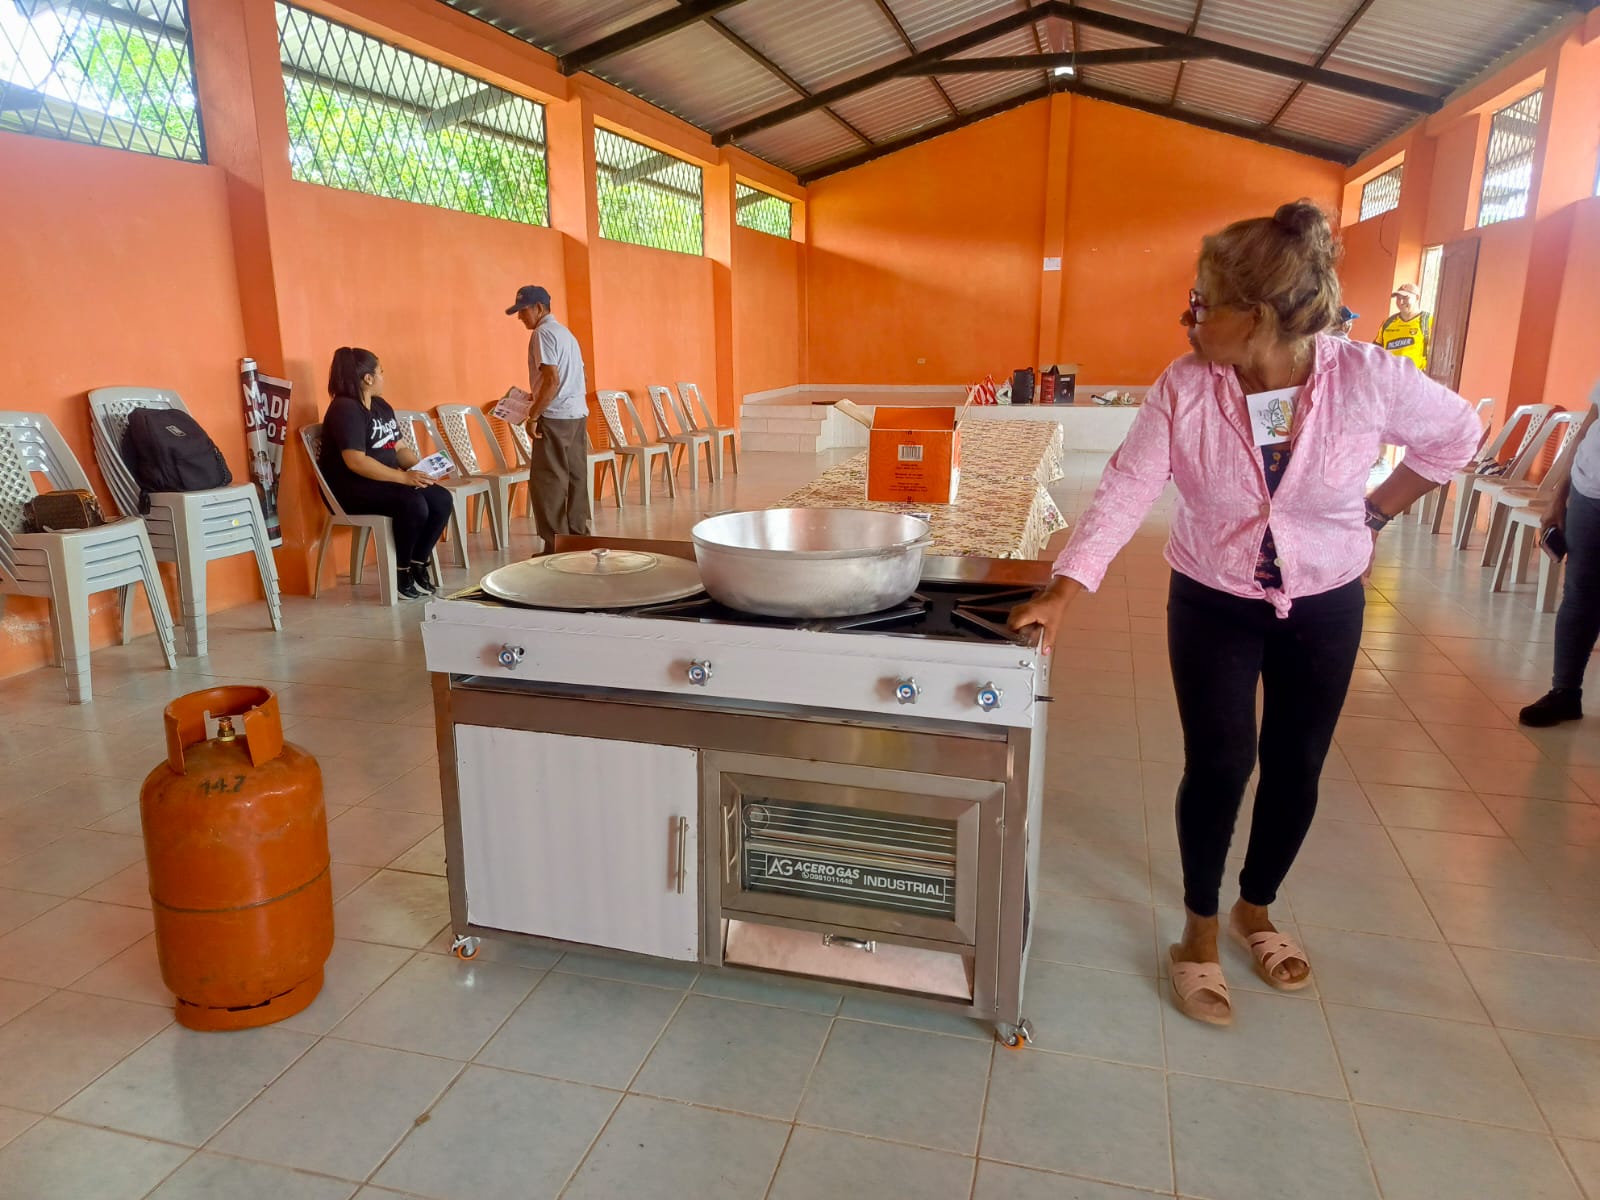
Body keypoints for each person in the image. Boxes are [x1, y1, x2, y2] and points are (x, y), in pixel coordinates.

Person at [1009, 202, 1480, 1027]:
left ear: (1256, 316)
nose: (1189, 319)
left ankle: (1254, 908)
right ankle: (1197, 928)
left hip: (1326, 599)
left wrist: (1374, 513)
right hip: (1213, 599)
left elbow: (1458, 434)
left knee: (1297, 763)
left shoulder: (1366, 378)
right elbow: (1127, 487)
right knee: (1221, 763)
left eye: (1202, 303)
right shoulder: (1186, 387)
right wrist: (1063, 590)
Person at [319, 347, 451, 600]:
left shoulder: (380, 406)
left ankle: (418, 563)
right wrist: (403, 478)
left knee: (441, 498)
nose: (383, 376)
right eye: (381, 371)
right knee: (413, 503)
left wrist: (419, 469)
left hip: (384, 481)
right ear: (368, 378)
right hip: (352, 488)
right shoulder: (345, 409)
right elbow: (356, 461)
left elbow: (399, 447)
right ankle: (401, 573)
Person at [1520, 382, 1600, 727]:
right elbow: (1587, 427)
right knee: (1579, 594)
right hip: (1589, 489)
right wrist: (1557, 497)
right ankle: (1565, 692)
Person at [506, 284, 592, 547]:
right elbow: (581, 377)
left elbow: (552, 380)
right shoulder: (566, 334)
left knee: (549, 483)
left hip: (555, 418)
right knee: (576, 478)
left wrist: (533, 416)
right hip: (577, 415)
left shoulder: (543, 333)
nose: (520, 317)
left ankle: (557, 546)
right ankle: (578, 540)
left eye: (523, 311)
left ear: (538, 308)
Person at [1375, 282, 1430, 371]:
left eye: (1405, 297)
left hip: (1416, 376)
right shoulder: (1388, 322)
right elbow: (1376, 351)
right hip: (1390, 375)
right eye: (1398, 298)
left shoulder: (1428, 321)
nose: (1401, 302)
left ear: (1417, 298)